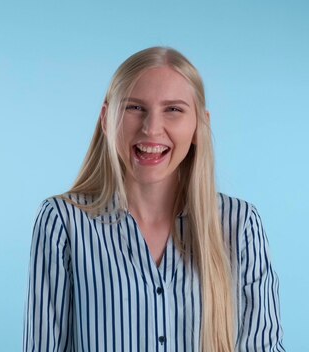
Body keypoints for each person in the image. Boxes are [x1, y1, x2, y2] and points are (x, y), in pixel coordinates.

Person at [23, 47, 284, 352]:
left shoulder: (239, 225)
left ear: (200, 125)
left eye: (173, 109)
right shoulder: (62, 222)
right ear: (107, 119)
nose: (151, 128)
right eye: (134, 108)